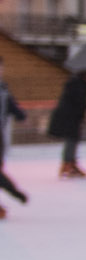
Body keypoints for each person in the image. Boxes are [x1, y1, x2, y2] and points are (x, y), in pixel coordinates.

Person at [48, 68, 86, 179]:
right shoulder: (79, 86)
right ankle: (68, 164)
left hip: (71, 117)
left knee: (73, 140)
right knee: (72, 139)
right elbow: (80, 102)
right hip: (70, 118)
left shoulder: (78, 85)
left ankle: (70, 162)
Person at [0, 56, 27, 218]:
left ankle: (13, 191)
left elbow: (11, 105)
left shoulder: (3, 89)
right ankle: (14, 191)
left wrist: (19, 114)